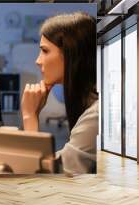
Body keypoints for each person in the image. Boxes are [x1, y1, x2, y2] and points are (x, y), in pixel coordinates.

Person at [21, 12, 98, 175]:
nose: (38, 60)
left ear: (71, 54)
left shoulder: (96, 116)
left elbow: (51, 177)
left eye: (45, 51)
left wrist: (30, 117)